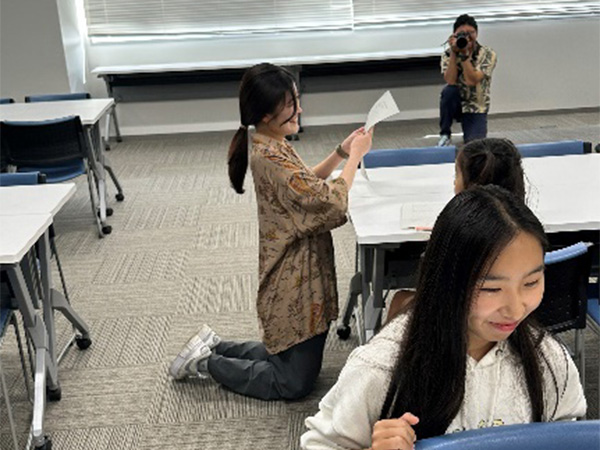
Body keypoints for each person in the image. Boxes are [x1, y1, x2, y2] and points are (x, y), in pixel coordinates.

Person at [301, 185, 586, 449]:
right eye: (491, 288)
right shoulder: (381, 368)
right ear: (446, 281)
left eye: (531, 283)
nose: (515, 309)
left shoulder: (547, 359)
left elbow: (567, 434)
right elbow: (321, 443)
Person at [168, 63, 373, 400]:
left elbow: (305, 181)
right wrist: (355, 158)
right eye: (290, 103)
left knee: (284, 356)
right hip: (293, 279)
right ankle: (206, 363)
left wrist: (340, 152)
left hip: (298, 268)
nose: (299, 109)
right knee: (291, 383)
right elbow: (331, 203)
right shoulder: (270, 156)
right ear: (265, 113)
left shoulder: (271, 142)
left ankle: (218, 346)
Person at [386, 137, 526, 321]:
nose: (454, 183)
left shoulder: (456, 235)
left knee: (399, 299)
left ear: (470, 185)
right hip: (515, 314)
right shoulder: (527, 229)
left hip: (461, 317)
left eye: (456, 175)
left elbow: (432, 285)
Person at [438, 14, 498, 146]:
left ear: (477, 33)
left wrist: (465, 56)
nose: (467, 37)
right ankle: (445, 133)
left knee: (474, 146)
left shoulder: (487, 54)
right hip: (456, 101)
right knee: (448, 91)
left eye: (471, 33)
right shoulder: (447, 54)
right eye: (462, 34)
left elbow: (472, 80)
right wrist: (454, 53)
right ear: (454, 35)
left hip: (476, 106)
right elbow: (451, 80)